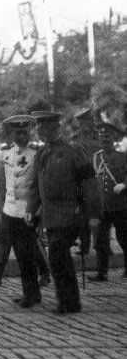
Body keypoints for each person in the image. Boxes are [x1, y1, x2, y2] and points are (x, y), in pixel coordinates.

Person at [27, 110, 94, 314]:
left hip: (70, 214)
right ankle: (69, 301)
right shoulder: (43, 153)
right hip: (50, 215)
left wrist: (90, 214)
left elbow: (89, 183)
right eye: (38, 129)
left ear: (55, 128)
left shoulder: (74, 150)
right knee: (58, 257)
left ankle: (67, 301)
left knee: (57, 253)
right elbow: (35, 186)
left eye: (42, 128)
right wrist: (31, 210)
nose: (38, 132)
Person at [0, 115, 43, 308]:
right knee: (9, 248)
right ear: (12, 134)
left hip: (26, 212)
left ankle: (32, 294)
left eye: (24, 132)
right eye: (17, 132)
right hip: (9, 211)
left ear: (29, 132)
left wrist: (38, 210)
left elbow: (40, 184)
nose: (21, 136)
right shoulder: (5, 154)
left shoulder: (37, 154)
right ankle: (26, 291)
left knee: (26, 255)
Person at [88, 122, 127, 282]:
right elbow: (91, 182)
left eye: (107, 137)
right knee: (100, 240)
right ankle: (102, 272)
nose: (104, 140)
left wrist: (124, 185)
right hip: (102, 206)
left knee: (125, 238)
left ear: (114, 138)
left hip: (120, 205)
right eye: (102, 137)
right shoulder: (96, 158)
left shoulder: (123, 157)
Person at [72, 107, 102, 256]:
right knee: (82, 216)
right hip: (82, 181)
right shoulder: (75, 138)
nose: (89, 123)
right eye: (85, 121)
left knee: (98, 214)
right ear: (80, 123)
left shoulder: (100, 136)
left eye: (91, 120)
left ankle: (100, 245)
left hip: (98, 180)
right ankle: (84, 246)